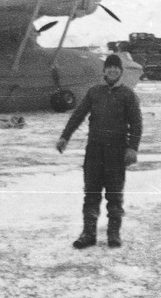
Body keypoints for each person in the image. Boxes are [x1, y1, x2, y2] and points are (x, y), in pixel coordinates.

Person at [56, 54, 142, 249]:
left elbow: (136, 124)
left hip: (117, 151)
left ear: (120, 71)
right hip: (94, 151)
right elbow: (78, 115)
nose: (113, 70)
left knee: (114, 194)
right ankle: (88, 234)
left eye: (116, 68)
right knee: (91, 193)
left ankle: (113, 234)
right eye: (109, 67)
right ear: (104, 71)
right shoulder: (94, 92)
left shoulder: (128, 95)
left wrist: (132, 148)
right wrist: (65, 136)